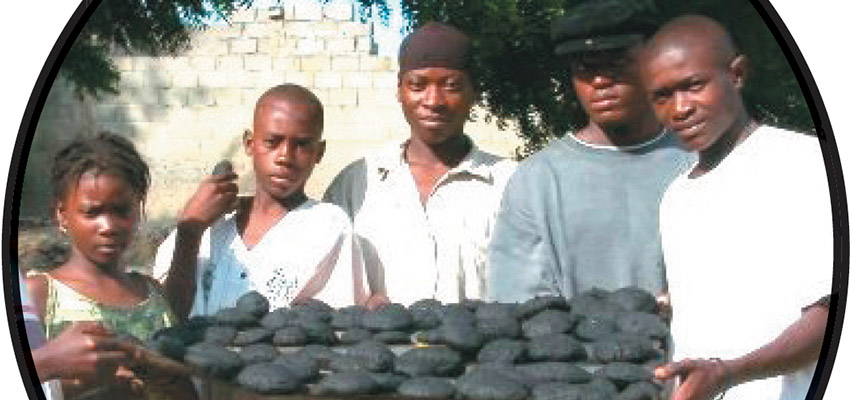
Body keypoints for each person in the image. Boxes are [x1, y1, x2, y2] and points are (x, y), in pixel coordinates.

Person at [640, 15, 832, 400]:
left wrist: (729, 374)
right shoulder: (676, 197)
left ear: (737, 74)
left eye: (693, 86)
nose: (679, 108)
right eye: (662, 96)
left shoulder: (802, 164)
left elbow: (829, 313)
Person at [487, 0, 695, 303]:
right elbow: (520, 308)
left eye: (616, 62)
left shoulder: (698, 161)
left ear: (655, 62)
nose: (600, 81)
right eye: (585, 68)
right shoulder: (537, 181)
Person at [323, 22, 516, 306]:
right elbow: (325, 281)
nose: (434, 101)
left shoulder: (510, 184)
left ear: (474, 93)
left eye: (451, 86)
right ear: (399, 91)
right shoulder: (355, 184)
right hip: (375, 349)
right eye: (418, 85)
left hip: (479, 350)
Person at [155, 84, 369, 319]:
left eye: (301, 144)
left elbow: (334, 322)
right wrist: (190, 230)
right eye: (272, 141)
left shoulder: (327, 226)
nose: (285, 156)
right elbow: (165, 316)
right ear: (249, 143)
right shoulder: (206, 224)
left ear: (319, 152)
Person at [24, 132, 195, 400]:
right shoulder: (39, 295)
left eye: (122, 210)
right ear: (61, 213)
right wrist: (61, 370)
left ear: (138, 209)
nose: (109, 227)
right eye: (92, 212)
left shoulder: (153, 295)